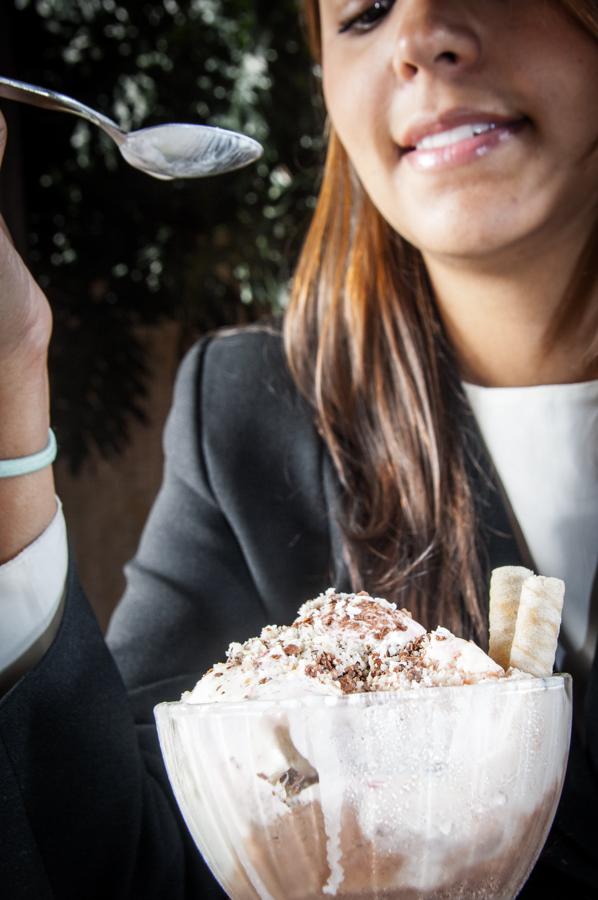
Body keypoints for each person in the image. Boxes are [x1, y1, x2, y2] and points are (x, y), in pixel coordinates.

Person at [0, 0, 597, 897]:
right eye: (362, 14)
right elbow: (126, 866)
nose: (420, 40)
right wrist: (9, 404)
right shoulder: (250, 423)